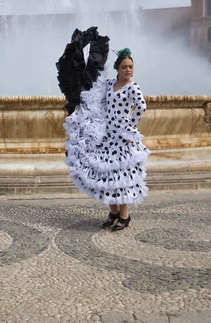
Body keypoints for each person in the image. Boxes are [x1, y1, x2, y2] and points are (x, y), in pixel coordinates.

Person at [58, 32, 150, 231]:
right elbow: (95, 91)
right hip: (108, 135)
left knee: (121, 176)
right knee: (107, 175)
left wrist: (130, 128)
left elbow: (141, 107)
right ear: (117, 68)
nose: (128, 70)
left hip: (123, 138)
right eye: (124, 67)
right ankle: (114, 212)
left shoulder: (133, 87)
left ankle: (124, 215)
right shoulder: (111, 85)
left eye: (130, 67)